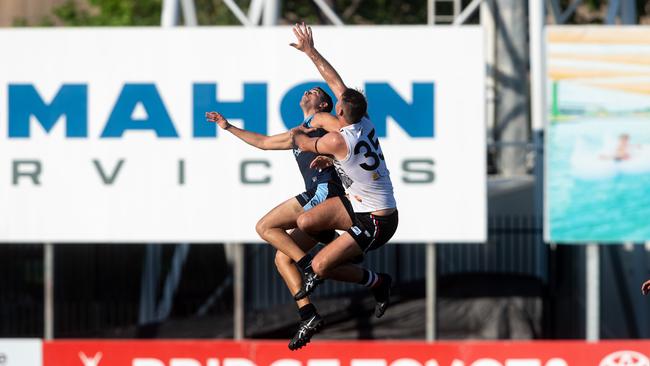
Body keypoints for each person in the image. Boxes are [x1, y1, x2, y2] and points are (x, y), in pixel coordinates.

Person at [205, 87, 386, 350]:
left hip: (326, 194)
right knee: (282, 258)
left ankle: (312, 265)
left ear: (325, 104)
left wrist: (328, 152)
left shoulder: (326, 123)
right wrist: (229, 126)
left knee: (265, 226)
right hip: (318, 196)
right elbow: (265, 143)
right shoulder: (299, 131)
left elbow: (347, 128)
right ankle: (314, 312)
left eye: (313, 91)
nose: (307, 93)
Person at [287, 23, 398, 314]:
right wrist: (311, 52)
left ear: (338, 111)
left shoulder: (338, 140)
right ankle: (344, 247)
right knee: (306, 222)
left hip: (377, 221)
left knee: (321, 266)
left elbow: (303, 142)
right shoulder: (364, 122)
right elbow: (336, 81)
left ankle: (377, 281)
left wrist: (301, 129)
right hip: (359, 205)